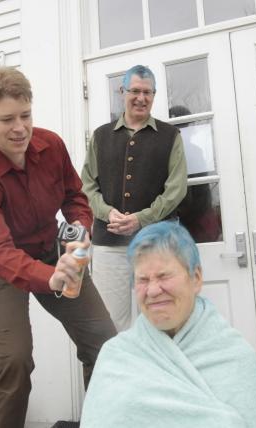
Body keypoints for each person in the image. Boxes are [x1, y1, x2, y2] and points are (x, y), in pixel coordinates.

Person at [0, 66, 116, 428]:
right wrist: (50, 277)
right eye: (6, 120)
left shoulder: (50, 145)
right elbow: (0, 252)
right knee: (15, 358)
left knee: (106, 344)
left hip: (51, 251)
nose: (20, 128)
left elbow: (74, 195)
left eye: (25, 115)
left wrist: (80, 227)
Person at [80, 221, 256, 428]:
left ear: (196, 278)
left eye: (163, 276)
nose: (152, 291)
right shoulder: (116, 357)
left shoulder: (235, 358)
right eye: (142, 280)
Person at [81, 65, 187, 331]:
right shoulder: (100, 136)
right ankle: (118, 373)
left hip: (157, 243)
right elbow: (87, 185)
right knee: (110, 324)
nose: (141, 98)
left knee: (159, 320)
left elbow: (176, 189)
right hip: (108, 244)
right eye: (135, 91)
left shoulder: (170, 136)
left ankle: (158, 373)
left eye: (148, 92)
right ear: (122, 92)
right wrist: (107, 213)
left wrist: (141, 219)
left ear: (154, 95)